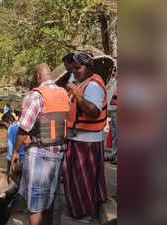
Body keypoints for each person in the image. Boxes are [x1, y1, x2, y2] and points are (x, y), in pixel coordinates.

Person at [11, 63, 70, 225]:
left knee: (35, 201)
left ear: (37, 76)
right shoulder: (64, 93)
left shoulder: (36, 95)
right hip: (58, 153)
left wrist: (16, 151)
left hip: (40, 153)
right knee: (50, 197)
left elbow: (24, 128)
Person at [63, 52, 108, 220]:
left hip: (86, 143)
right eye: (73, 68)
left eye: (78, 68)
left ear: (90, 67)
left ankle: (82, 212)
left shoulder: (94, 85)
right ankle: (84, 209)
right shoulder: (82, 83)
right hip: (79, 139)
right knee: (79, 179)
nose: (75, 71)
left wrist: (77, 95)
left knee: (82, 180)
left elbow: (94, 112)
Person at [1, 111, 26, 184]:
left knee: (15, 179)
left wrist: (8, 170)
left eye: (5, 125)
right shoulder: (22, 126)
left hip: (18, 159)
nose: (5, 127)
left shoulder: (11, 129)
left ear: (9, 122)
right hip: (27, 158)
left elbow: (10, 152)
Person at [105, 76, 117, 163]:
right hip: (113, 110)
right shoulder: (115, 82)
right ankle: (113, 154)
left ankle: (115, 156)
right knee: (114, 134)